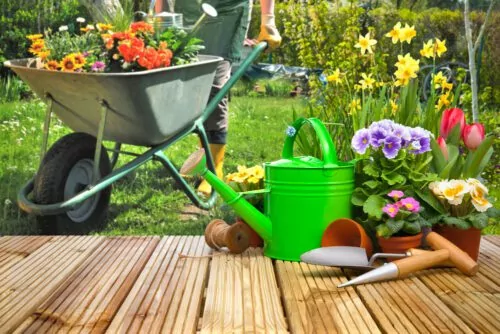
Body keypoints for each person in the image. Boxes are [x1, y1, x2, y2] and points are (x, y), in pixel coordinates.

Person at [156, 0, 281, 195]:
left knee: (215, 85)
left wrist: (269, 20)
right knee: (189, 81)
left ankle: (214, 169)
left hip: (228, 11)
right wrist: (161, 13)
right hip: (188, 9)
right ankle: (201, 160)